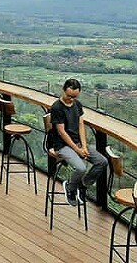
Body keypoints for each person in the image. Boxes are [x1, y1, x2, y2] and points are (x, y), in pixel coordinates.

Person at [44, 78, 108, 206]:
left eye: (74, 96)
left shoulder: (77, 105)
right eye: (69, 96)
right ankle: (70, 188)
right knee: (80, 168)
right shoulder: (57, 108)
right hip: (62, 145)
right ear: (63, 90)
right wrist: (77, 149)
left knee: (102, 162)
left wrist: (83, 146)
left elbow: (81, 125)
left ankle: (83, 184)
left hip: (78, 143)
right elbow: (62, 132)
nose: (71, 99)